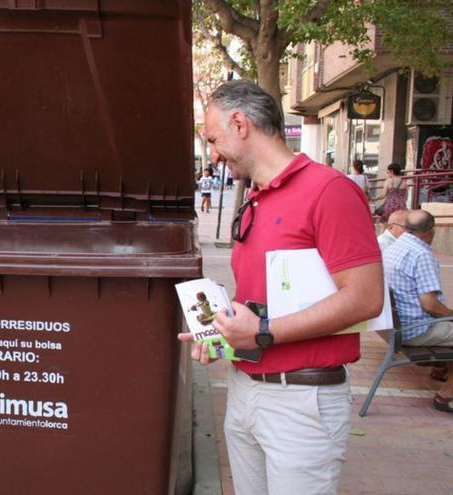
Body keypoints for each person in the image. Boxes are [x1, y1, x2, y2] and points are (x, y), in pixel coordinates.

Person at [179, 80, 384, 495]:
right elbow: (261, 302)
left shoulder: (329, 191)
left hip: (302, 401)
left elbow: (365, 298)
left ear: (240, 124)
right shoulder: (255, 197)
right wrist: (223, 334)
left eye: (214, 139)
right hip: (246, 389)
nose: (213, 154)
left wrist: (263, 330)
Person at [383, 210, 453, 413]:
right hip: (414, 330)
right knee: (447, 318)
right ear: (431, 231)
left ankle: (441, 370)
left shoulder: (394, 248)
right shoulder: (422, 254)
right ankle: (447, 395)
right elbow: (430, 305)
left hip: (391, 326)